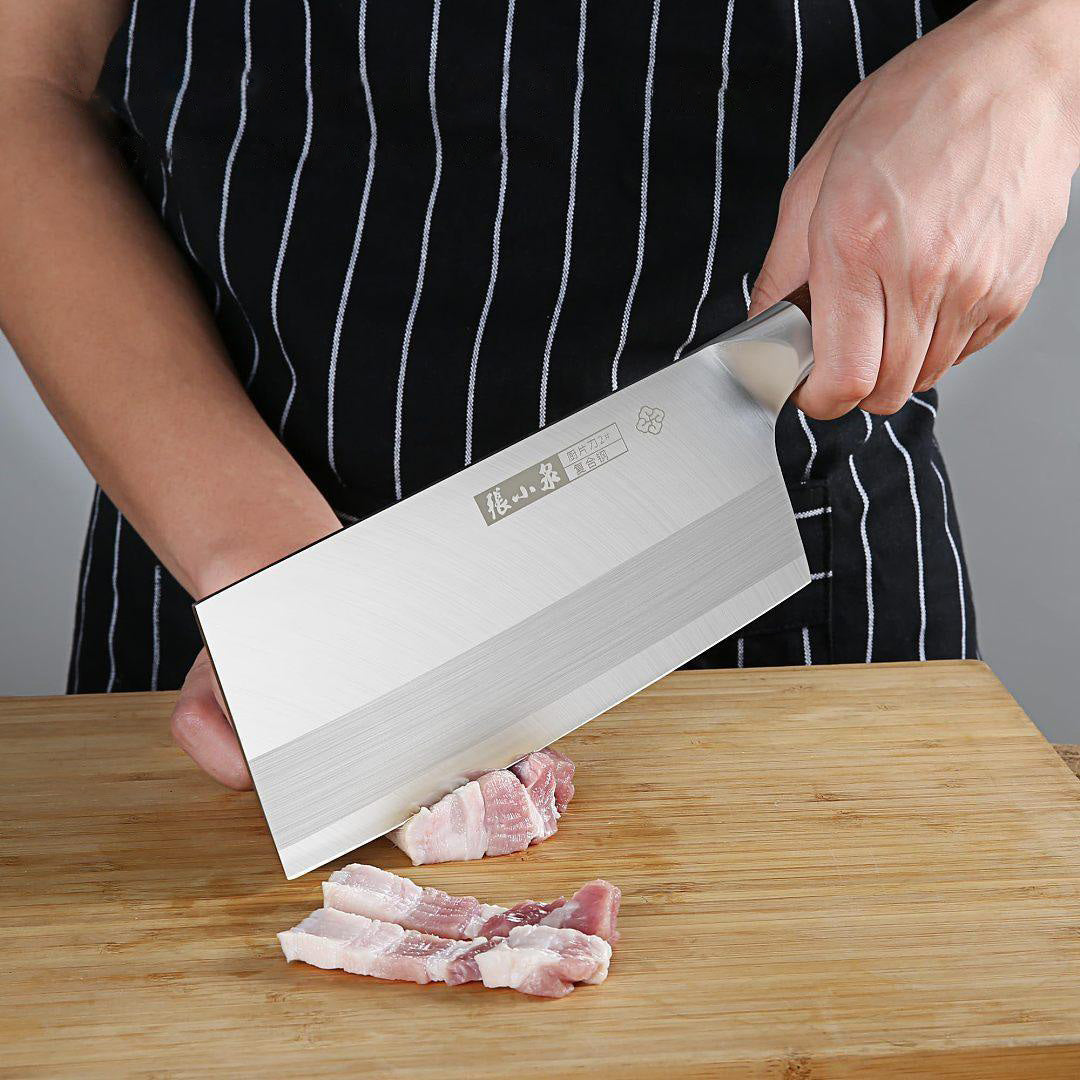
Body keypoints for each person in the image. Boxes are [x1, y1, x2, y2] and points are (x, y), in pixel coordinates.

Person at [1, 1, 1075, 788]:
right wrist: (262, 566)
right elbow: (23, 80)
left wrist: (1042, 51)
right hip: (234, 608)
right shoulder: (260, 602)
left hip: (796, 573)